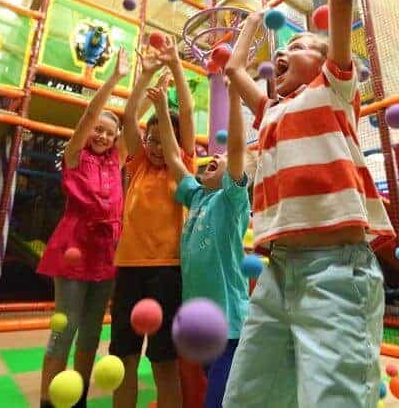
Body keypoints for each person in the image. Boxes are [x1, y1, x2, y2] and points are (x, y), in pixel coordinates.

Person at [221, 0, 395, 406]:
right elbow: (231, 67)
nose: (286, 51)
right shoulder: (270, 110)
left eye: (298, 46)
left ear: (324, 63)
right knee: (246, 396)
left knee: (334, 398)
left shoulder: (333, 90)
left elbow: (340, 1)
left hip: (335, 269)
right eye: (286, 46)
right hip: (276, 275)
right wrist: (251, 25)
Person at [146, 80, 250, 408]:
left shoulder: (232, 201)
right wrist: (163, 108)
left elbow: (234, 150)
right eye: (209, 159)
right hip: (199, 325)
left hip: (229, 324)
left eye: (219, 160)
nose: (212, 159)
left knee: (217, 400)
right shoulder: (197, 196)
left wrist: (234, 97)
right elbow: (175, 158)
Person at [37, 48, 129, 408]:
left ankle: (76, 399)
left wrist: (149, 78)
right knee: (65, 328)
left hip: (106, 254)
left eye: (110, 132)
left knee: (91, 333)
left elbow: (133, 121)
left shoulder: (116, 161)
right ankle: (49, 399)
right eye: (99, 131)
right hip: (73, 250)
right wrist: (115, 79)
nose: (103, 136)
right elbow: (91, 115)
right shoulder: (77, 155)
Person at [111, 36, 196, 408]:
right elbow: (129, 118)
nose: (157, 147)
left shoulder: (182, 167)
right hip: (128, 268)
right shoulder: (139, 165)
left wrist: (175, 67)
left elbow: (187, 116)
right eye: (151, 141)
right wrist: (144, 77)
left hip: (167, 271)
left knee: (163, 362)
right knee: (122, 360)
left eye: (164, 141)